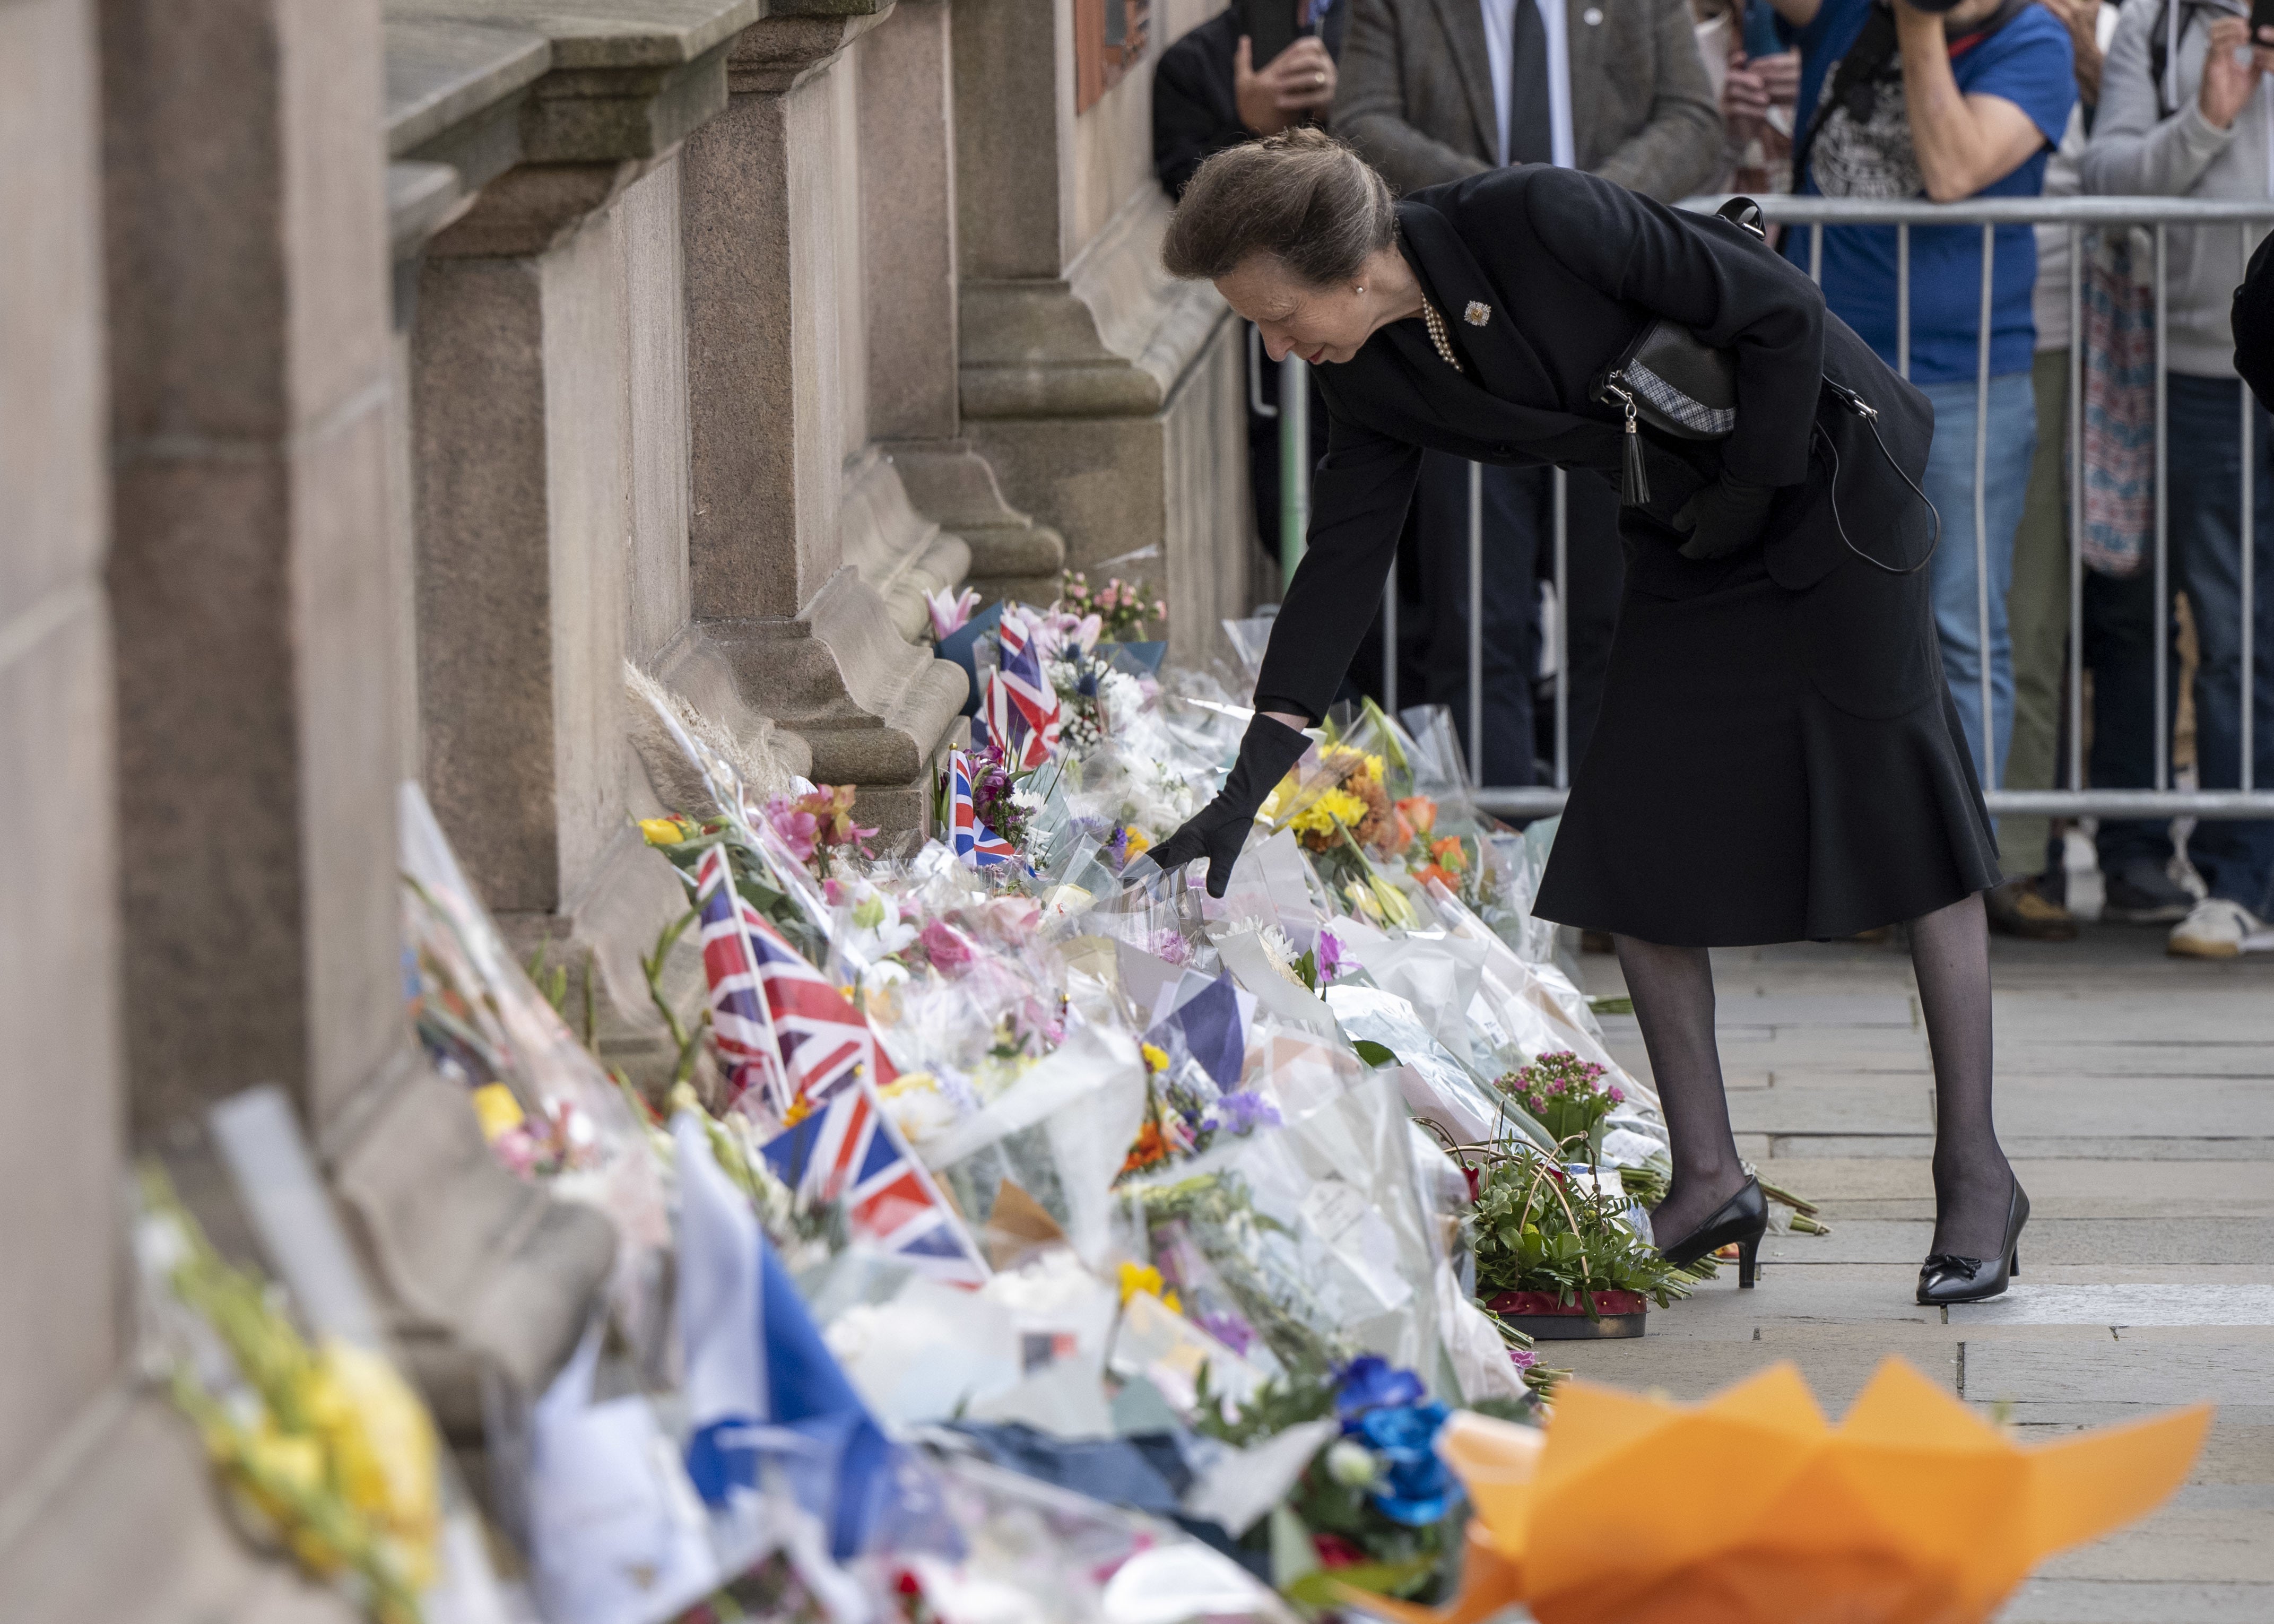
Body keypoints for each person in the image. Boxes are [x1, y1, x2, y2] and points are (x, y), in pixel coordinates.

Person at [1149, 130, 2027, 1305]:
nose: (1275, 344)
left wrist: (1754, 491)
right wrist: (1245, 782)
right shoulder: (1366, 367)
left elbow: (1778, 312)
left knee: (1902, 806)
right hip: (1683, 523)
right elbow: (1344, 558)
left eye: (1276, 312)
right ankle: (1709, 1177)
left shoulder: (1540, 219)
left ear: (1351, 267)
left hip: (1821, 483)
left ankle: (1976, 1174)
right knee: (1630, 833)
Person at [1325, 0, 1721, 785]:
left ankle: (1606, 849)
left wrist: (1585, 215)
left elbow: (1694, 121)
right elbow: (1361, 125)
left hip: (1613, 344)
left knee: (1611, 610)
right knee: (1478, 620)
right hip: (1463, 346)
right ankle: (1496, 861)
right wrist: (1514, 211)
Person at [1775, 0, 2077, 803]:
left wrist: (1917, 22)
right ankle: (1852, 861)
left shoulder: (2033, 38)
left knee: (1958, 631)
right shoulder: (1845, 12)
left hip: (1961, 382)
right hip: (1823, 375)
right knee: (1820, 620)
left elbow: (1951, 171)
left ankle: (1953, 881)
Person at [2082, 1, 2274, 957]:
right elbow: (2107, 176)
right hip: (2197, 369)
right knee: (2229, 628)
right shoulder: (2155, 28)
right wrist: (2208, 118)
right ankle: (2238, 878)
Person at [1985, 0, 2129, 941]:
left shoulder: (2124, 28)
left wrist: (2094, 76)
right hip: (1935, 320)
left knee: (2028, 617)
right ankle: (1893, 865)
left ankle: (2017, 855)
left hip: (2052, 334)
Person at [1155, 1, 1348, 586]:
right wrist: (1254, 133)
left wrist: (1343, 112)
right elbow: (1195, 216)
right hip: (1287, 377)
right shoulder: (1194, 65)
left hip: (1385, 343)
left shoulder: (1379, 38)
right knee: (1299, 521)